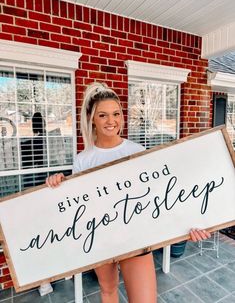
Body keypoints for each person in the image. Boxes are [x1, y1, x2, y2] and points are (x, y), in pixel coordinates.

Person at [46, 82, 211, 303]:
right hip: (100, 238)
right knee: (108, 291)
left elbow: (160, 197)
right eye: (103, 115)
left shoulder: (136, 152)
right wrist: (58, 184)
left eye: (116, 114)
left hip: (135, 237)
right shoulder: (83, 160)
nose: (111, 121)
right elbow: (76, 205)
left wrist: (188, 223)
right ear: (92, 119)